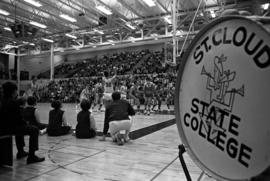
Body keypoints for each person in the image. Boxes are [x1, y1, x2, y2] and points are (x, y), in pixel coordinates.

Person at [0, 82, 45, 164]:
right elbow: (18, 119)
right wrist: (27, 124)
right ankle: (31, 156)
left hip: (3, 127)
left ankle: (21, 152)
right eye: (16, 91)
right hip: (9, 128)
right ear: (13, 91)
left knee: (20, 129)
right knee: (34, 130)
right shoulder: (13, 102)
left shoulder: (2, 101)